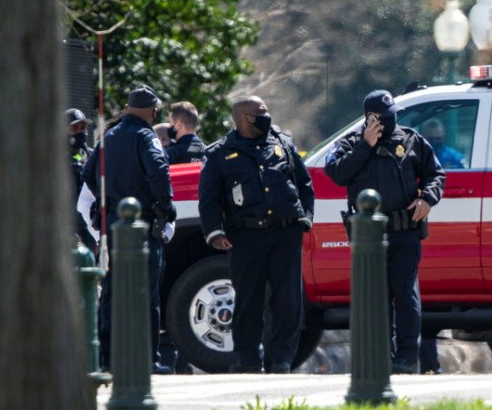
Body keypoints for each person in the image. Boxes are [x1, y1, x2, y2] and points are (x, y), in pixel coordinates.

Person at [325, 89, 445, 374]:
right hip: (369, 236)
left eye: (393, 116)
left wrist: (427, 198)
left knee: (405, 294)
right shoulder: (351, 143)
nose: (391, 121)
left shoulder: (411, 139)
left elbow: (436, 174)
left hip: (405, 231)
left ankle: (407, 357)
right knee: (376, 297)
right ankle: (381, 357)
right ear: (370, 118)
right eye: (384, 117)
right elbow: (336, 173)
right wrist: (365, 146)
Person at [198, 96, 315, 374]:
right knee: (248, 300)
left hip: (285, 233)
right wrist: (215, 233)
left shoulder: (283, 144)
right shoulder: (219, 153)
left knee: (288, 300)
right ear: (243, 118)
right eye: (260, 112)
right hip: (245, 236)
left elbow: (304, 184)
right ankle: (248, 359)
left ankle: (282, 359)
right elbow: (209, 199)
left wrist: (305, 218)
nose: (266, 115)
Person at [82, 84, 176, 375]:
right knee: (146, 293)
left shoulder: (108, 137)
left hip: (112, 225)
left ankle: (108, 357)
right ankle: (146, 359)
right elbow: (159, 171)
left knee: (111, 292)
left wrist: (106, 201)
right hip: (143, 224)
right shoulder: (146, 137)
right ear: (153, 112)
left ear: (126, 108)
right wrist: (166, 207)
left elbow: (88, 174)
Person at [67, 108, 98, 254]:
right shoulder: (54, 159)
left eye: (83, 127)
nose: (80, 132)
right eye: (75, 128)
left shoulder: (91, 156)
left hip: (88, 225)